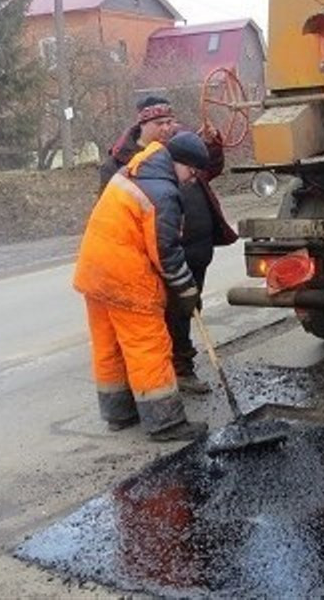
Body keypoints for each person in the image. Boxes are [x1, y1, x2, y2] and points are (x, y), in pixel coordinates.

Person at [72, 121, 207, 442]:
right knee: (147, 343)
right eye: (193, 173)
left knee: (109, 345)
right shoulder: (163, 192)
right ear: (182, 163)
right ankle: (165, 423)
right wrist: (187, 290)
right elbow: (166, 251)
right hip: (125, 278)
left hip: (94, 270)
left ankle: (119, 413)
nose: (192, 181)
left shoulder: (135, 169)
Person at [97, 99, 237, 394]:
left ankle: (182, 368)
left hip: (196, 250)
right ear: (143, 125)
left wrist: (210, 146)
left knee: (187, 309)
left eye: (170, 122)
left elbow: (208, 170)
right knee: (158, 320)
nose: (167, 128)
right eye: (159, 123)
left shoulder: (179, 152)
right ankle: (161, 378)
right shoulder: (123, 162)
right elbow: (113, 210)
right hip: (159, 255)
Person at [164, 130, 238, 394]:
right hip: (176, 260)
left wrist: (214, 143)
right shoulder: (164, 182)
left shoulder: (192, 167)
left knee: (192, 307)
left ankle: (181, 363)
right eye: (191, 169)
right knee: (177, 312)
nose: (195, 174)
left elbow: (213, 165)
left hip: (200, 254)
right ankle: (180, 368)